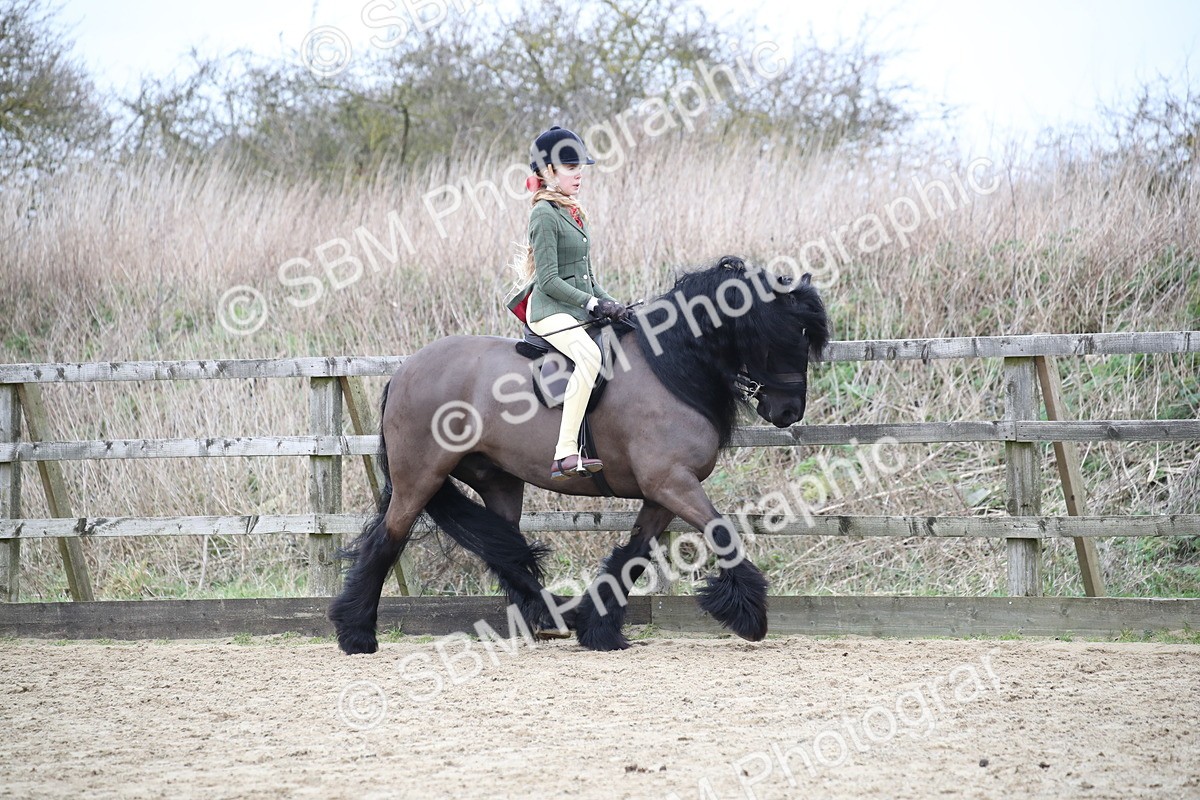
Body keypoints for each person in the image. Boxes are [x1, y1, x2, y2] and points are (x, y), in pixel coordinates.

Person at [518, 125, 630, 481]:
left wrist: (616, 306)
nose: (579, 173)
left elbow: (587, 276)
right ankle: (565, 451)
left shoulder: (572, 212)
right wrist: (592, 304)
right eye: (570, 167)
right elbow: (549, 281)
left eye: (580, 166)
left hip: (574, 307)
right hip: (549, 311)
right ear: (548, 171)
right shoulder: (544, 215)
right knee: (590, 356)